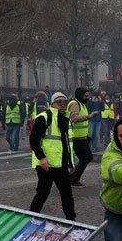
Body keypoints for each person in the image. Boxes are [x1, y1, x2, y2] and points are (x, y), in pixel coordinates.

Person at [28, 91, 76, 220]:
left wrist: (71, 163)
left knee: (67, 193)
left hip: (61, 164)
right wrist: (42, 158)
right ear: (52, 104)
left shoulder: (66, 119)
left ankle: (71, 220)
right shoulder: (44, 117)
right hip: (46, 164)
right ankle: (32, 217)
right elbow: (33, 140)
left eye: (64, 103)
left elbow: (67, 144)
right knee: (43, 193)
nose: (62, 105)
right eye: (59, 102)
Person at [68, 87, 95, 187]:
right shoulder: (75, 104)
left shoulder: (81, 104)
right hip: (76, 137)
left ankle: (72, 178)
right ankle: (73, 179)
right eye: (85, 96)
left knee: (87, 158)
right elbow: (73, 118)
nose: (87, 98)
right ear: (80, 95)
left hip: (81, 137)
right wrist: (89, 116)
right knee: (85, 158)